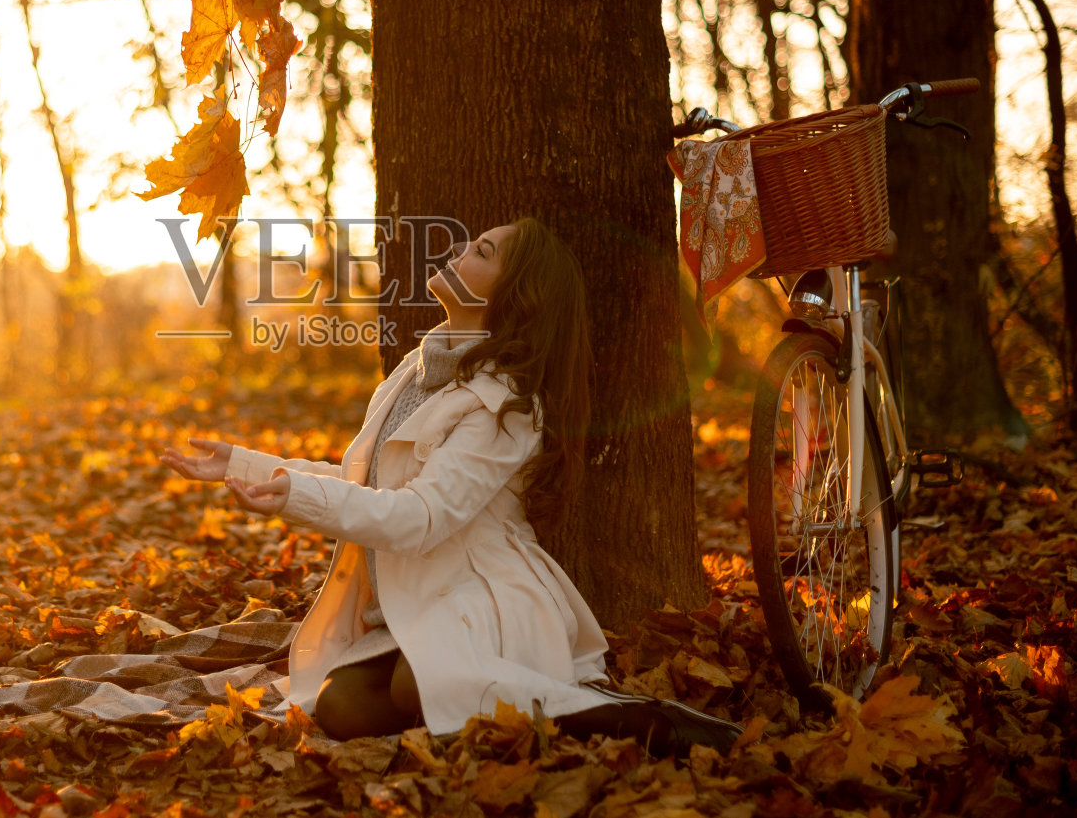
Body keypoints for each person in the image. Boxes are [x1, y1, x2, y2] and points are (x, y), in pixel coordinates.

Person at [161, 217, 738, 753]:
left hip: (481, 593)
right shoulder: (412, 373)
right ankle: (459, 703)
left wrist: (295, 500)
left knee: (425, 686)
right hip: (417, 597)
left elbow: (417, 517)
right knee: (341, 708)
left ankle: (633, 719)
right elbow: (366, 484)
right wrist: (245, 466)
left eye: (481, 251)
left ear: (513, 295)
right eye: (468, 242)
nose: (458, 251)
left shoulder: (505, 405)